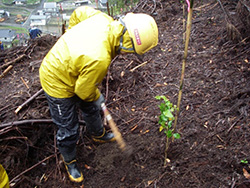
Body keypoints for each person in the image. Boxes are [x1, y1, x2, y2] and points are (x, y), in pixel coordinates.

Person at [39, 10, 158, 183]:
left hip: (78, 72)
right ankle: (70, 161)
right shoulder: (99, 58)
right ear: (127, 44)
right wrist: (97, 97)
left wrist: (70, 36)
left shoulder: (104, 19)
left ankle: (97, 134)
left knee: (90, 107)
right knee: (68, 127)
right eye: (132, 51)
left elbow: (79, 13)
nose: (129, 55)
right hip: (56, 79)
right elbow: (83, 91)